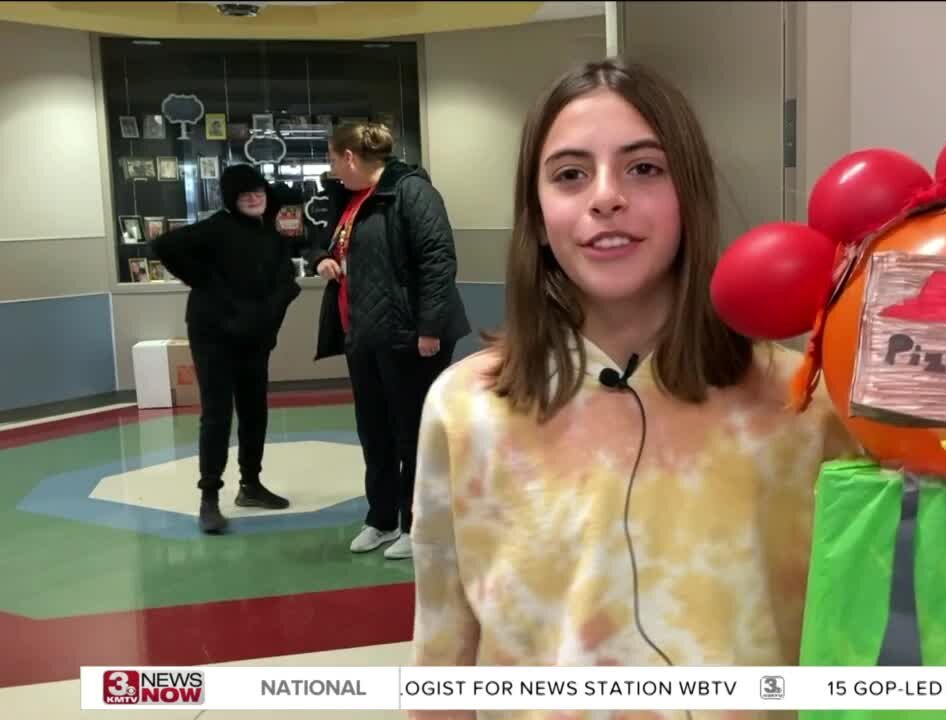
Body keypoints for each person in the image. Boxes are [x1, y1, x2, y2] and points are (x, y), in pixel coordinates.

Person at [407, 58, 858, 708]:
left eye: (644, 168)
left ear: (689, 194)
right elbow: (442, 652)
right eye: (570, 174)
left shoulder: (804, 404)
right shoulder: (465, 407)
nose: (605, 196)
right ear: (536, 213)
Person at [307, 122, 471, 560]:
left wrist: (430, 328)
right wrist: (323, 258)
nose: (331, 169)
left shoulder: (411, 192)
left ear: (349, 157)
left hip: (409, 336)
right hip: (364, 333)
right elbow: (332, 244)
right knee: (373, 432)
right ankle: (380, 519)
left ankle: (416, 524)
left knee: (412, 434)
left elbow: (438, 259)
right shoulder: (350, 199)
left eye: (331, 158)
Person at [152, 164, 301, 534]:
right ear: (231, 200)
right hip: (214, 335)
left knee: (255, 412)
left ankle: (251, 485)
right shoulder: (218, 227)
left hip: (254, 336)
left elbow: (292, 195)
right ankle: (209, 498)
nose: (254, 198)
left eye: (258, 193)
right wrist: (204, 281)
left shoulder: (269, 231)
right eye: (244, 194)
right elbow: (163, 245)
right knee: (217, 415)